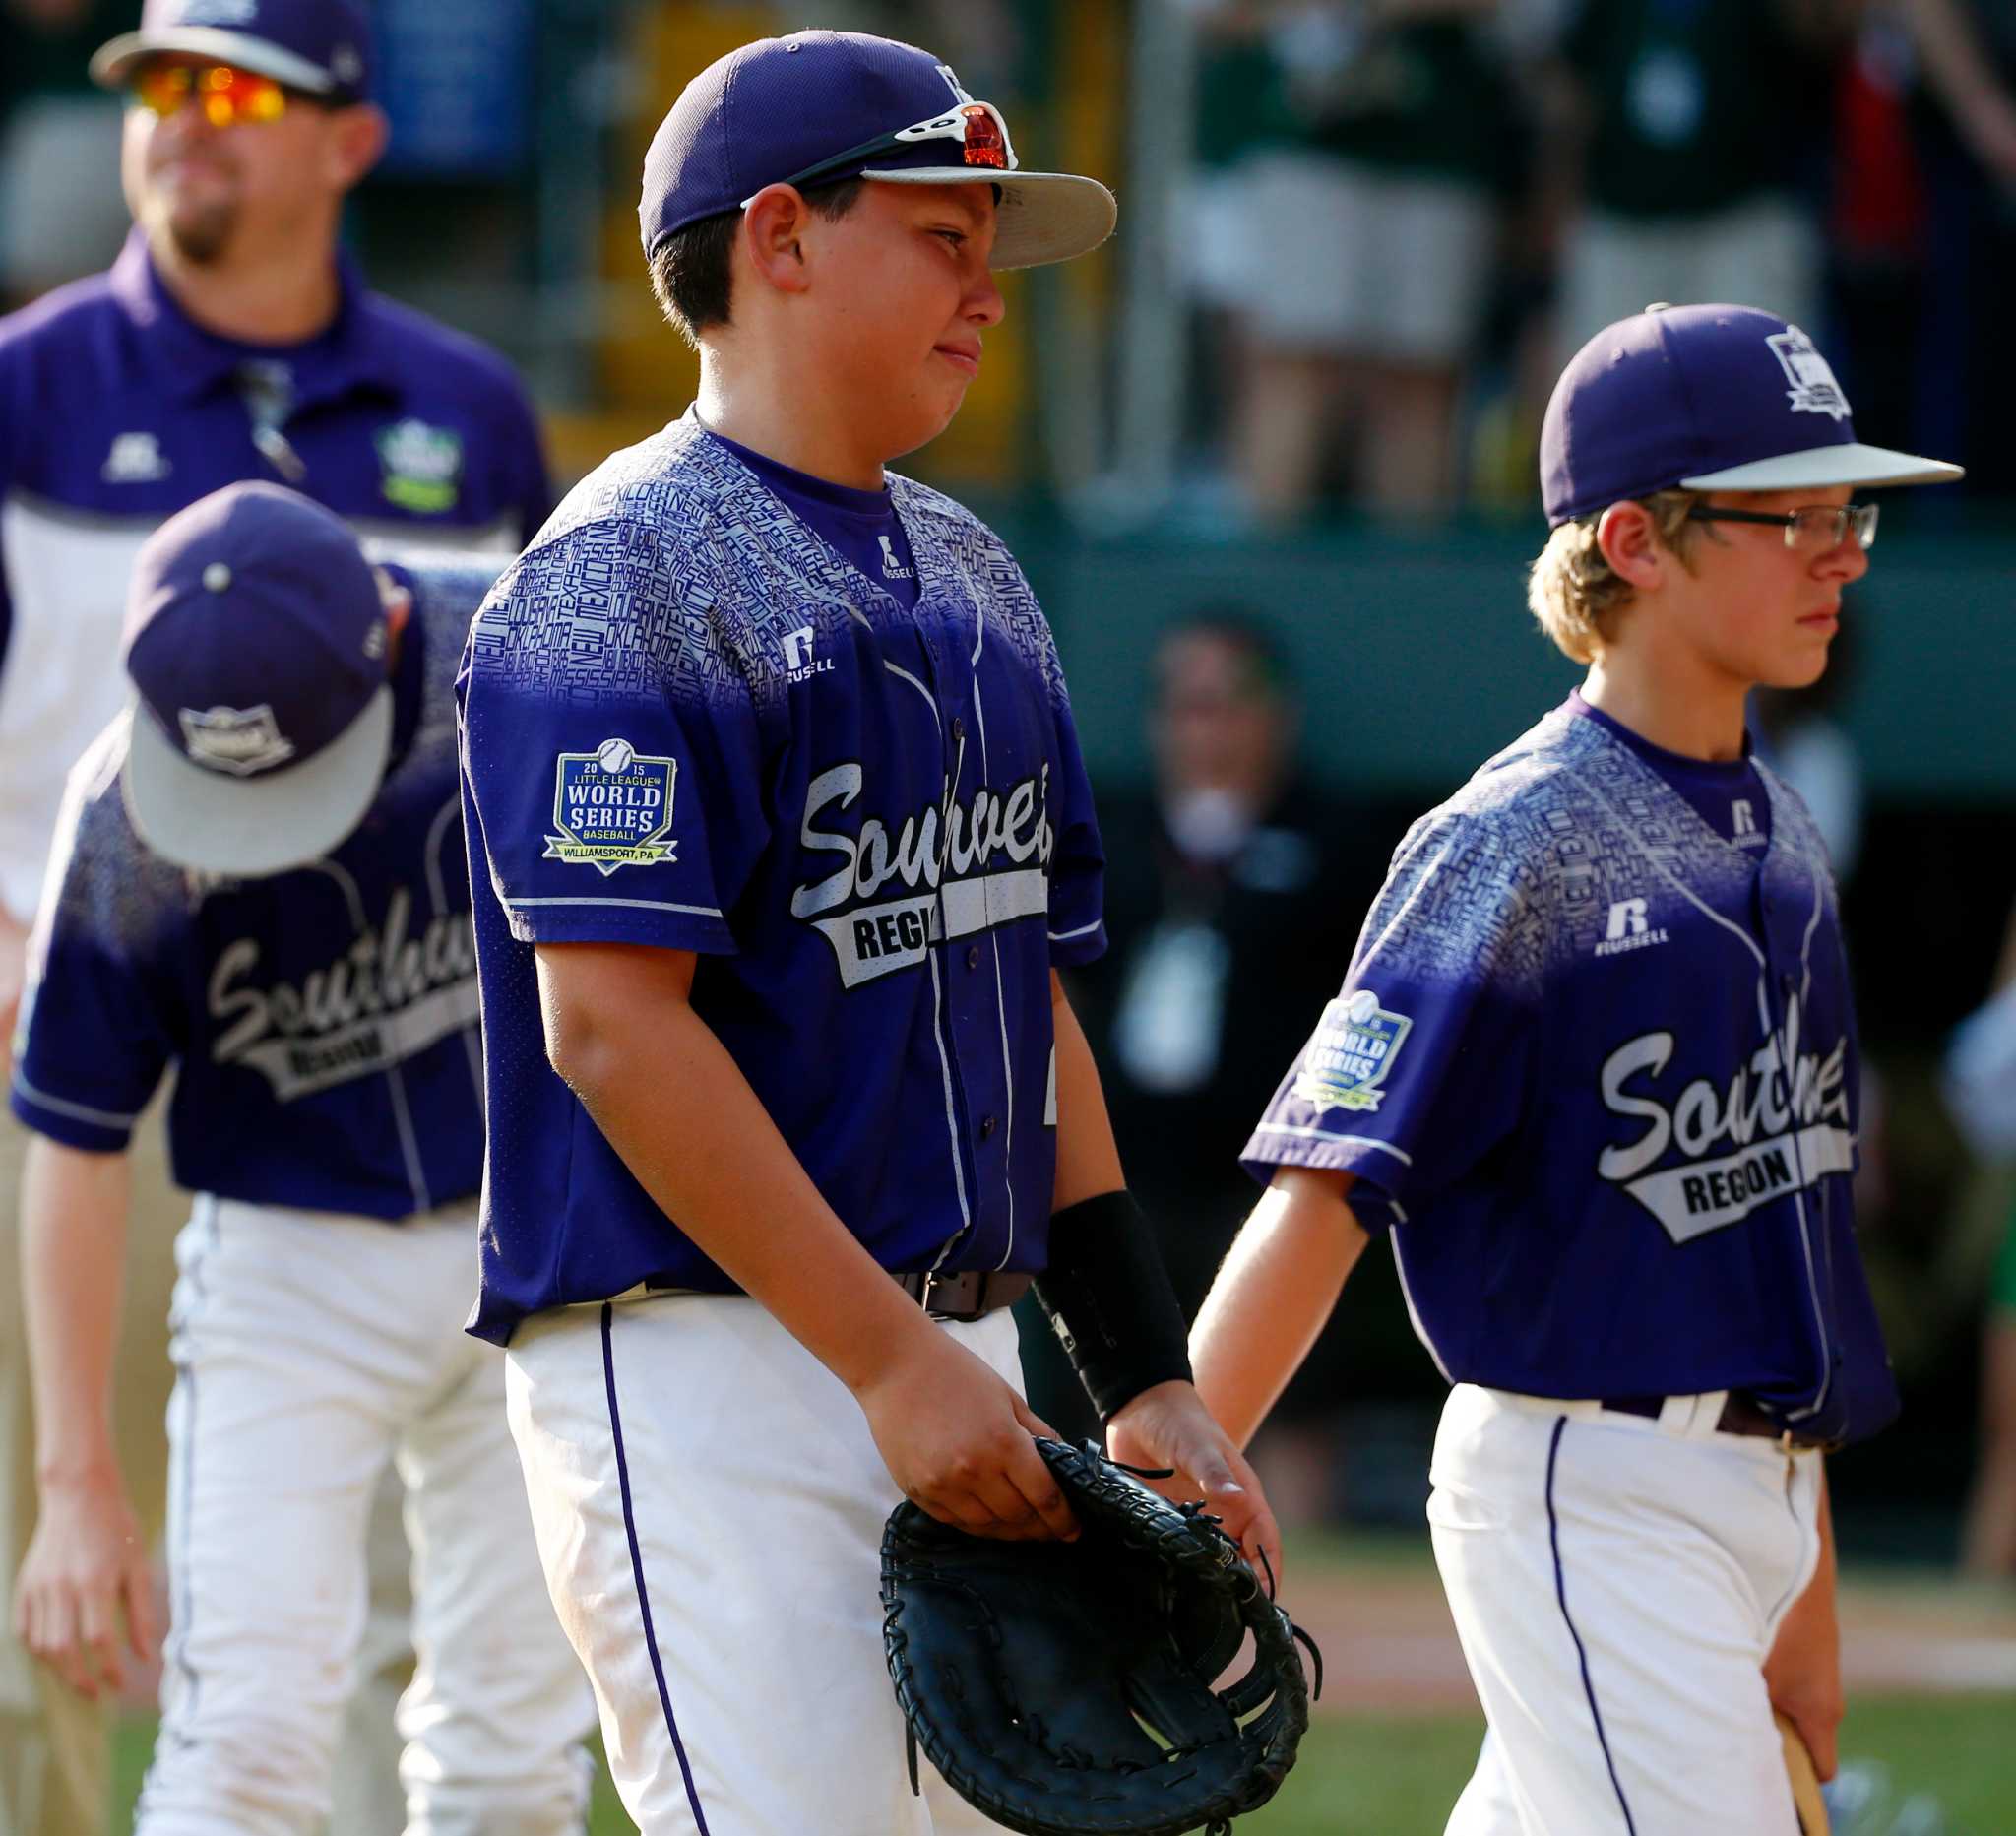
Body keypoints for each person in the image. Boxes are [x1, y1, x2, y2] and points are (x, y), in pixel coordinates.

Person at [456, 31, 1279, 1833]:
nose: (991, 289)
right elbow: (611, 1028)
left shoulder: (976, 574)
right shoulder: (615, 581)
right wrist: (890, 1362)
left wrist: (1139, 1369)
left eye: (992, 242)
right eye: (941, 232)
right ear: (777, 238)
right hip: (706, 1363)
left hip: (958, 1352)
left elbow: (1022, 993)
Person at [1152, 303, 1960, 1833]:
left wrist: (1808, 1583)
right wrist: (1160, 1493)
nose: (1843, 549)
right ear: (1636, 541)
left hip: (1749, 1493)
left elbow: (1787, 1242)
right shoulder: (1519, 837)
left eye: (1846, 508)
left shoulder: (1783, 836)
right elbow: (1329, 1188)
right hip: (1590, 1484)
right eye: (1791, 514)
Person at [0, 4, 552, 1827]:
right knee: (48, 1578)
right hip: (57, 1031)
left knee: (405, 1613)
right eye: (161, 90)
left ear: (351, 141)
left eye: (238, 94)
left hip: (408, 1069)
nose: (187, 129)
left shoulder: (466, 410)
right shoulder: (26, 383)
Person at [10, 482, 594, 1833]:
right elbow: (75, 1137)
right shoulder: (128, 816)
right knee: (247, 1739)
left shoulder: (524, 662)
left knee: (512, 1752)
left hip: (539, 1220)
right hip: (290, 1261)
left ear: (389, 624)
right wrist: (75, 1484)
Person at [1025, 611, 1388, 1516]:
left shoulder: (1335, 846)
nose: (1209, 726)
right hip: (1120, 1173)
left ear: (1277, 714)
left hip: (1259, 1176)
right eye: (1187, 705)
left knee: (1287, 1410)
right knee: (1094, 1399)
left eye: (1231, 702)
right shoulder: (1108, 834)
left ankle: (1289, 1594)